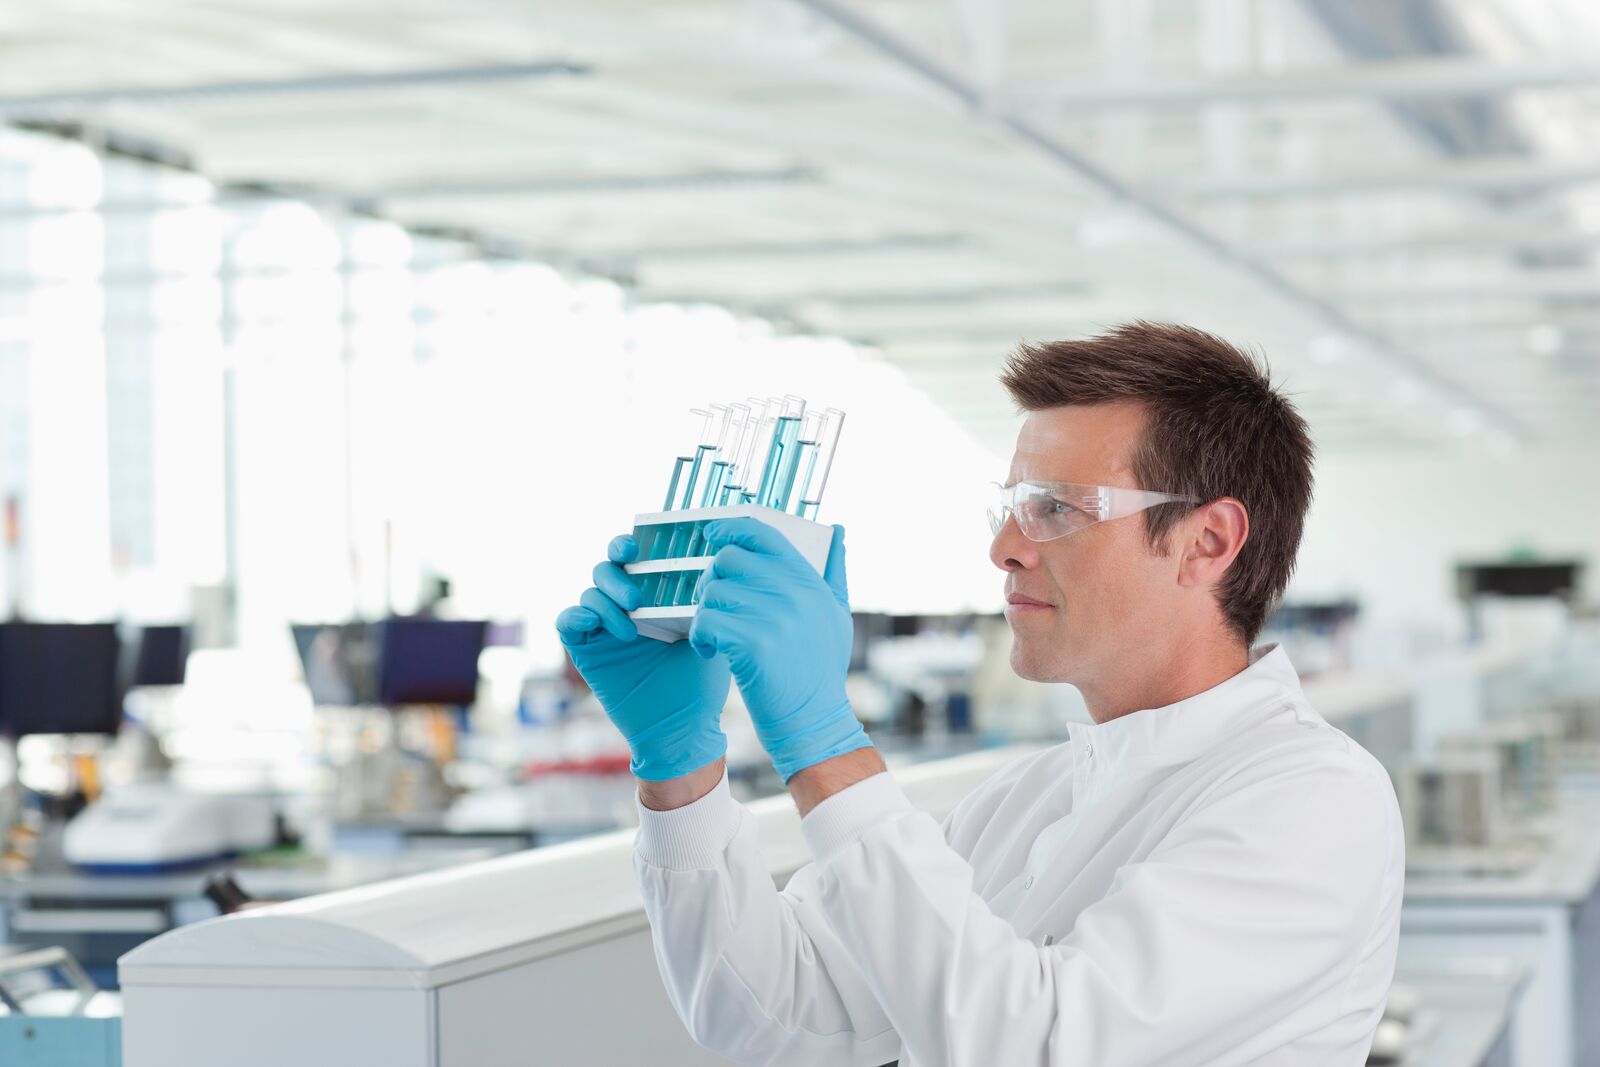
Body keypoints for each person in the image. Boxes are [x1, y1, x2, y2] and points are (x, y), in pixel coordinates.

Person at [556, 322, 1404, 1066]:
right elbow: (772, 1009)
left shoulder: (1312, 798)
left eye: (1055, 509)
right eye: (1007, 506)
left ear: (1206, 541)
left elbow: (1031, 1046)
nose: (1004, 546)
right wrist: (681, 766)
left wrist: (824, 742)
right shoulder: (1026, 800)